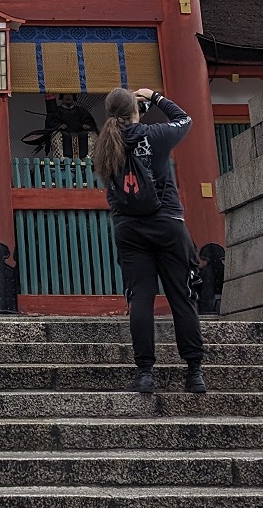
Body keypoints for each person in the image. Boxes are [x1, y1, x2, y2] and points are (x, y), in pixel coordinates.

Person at [95, 85, 205, 394]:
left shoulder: (103, 145)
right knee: (181, 297)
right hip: (168, 222)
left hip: (129, 228)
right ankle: (194, 372)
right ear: (135, 111)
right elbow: (184, 119)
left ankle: (144, 373)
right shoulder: (155, 135)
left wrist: (132, 110)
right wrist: (154, 98)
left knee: (140, 297)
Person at [43, 92, 100, 161]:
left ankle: (88, 159)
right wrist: (58, 125)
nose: (68, 97)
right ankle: (61, 159)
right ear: (61, 97)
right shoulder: (56, 111)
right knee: (56, 135)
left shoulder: (81, 110)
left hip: (81, 135)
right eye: (65, 94)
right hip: (64, 136)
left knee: (92, 135)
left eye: (70, 94)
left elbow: (90, 122)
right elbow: (51, 122)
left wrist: (88, 125)